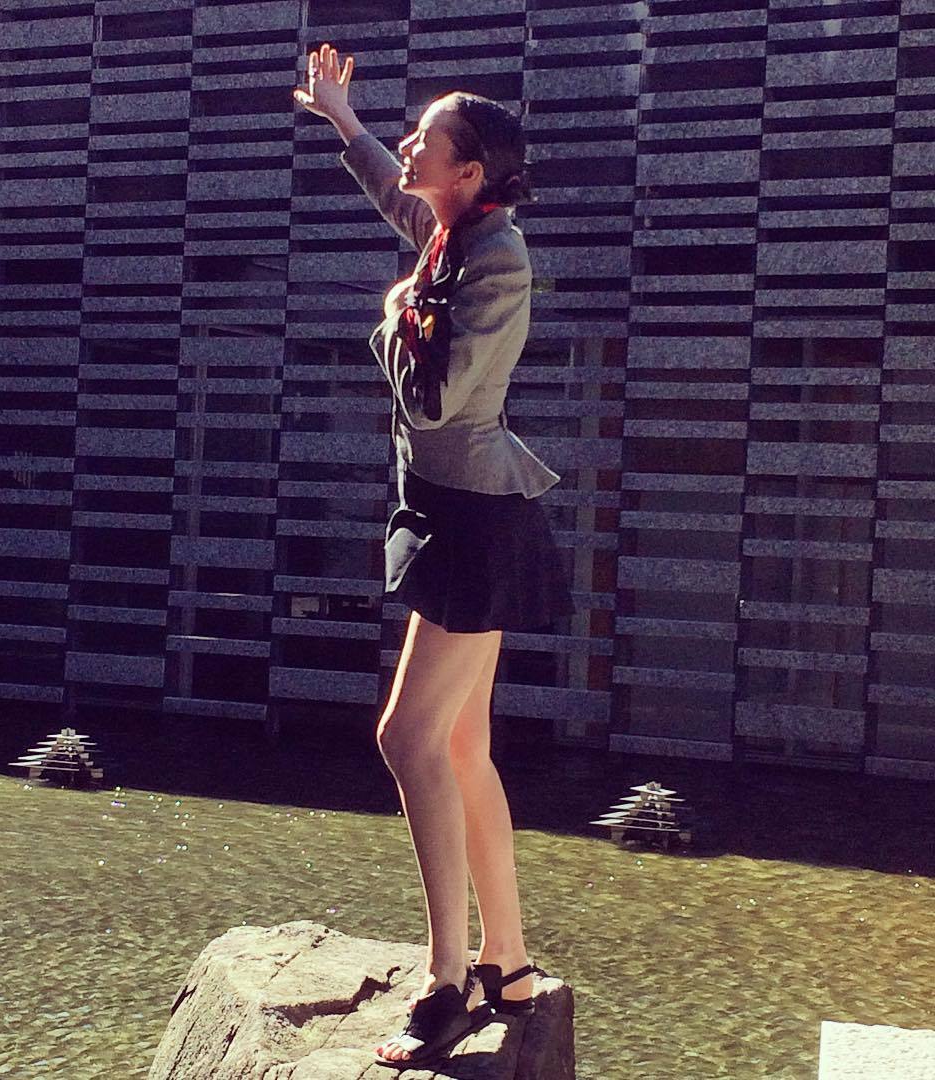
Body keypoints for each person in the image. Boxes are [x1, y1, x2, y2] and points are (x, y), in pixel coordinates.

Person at [293, 44, 574, 1068]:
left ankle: (447, 981)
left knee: (406, 739)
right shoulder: (454, 232)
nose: (409, 146)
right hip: (456, 514)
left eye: (427, 140)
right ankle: (510, 962)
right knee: (460, 749)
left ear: (471, 171)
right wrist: (343, 119)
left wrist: (387, 318)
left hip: (473, 524)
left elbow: (439, 399)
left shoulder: (496, 259)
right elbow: (392, 191)